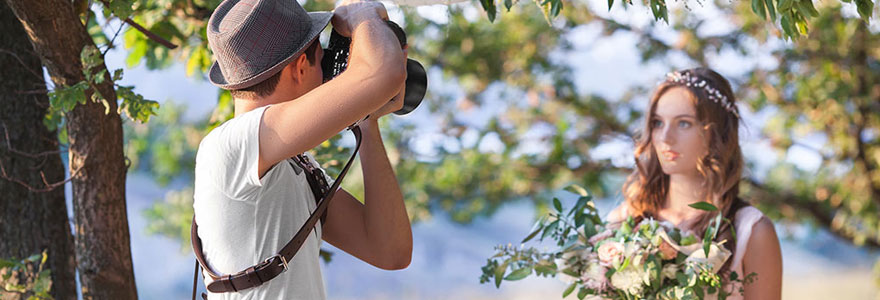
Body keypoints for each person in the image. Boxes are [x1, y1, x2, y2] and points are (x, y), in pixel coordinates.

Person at [192, 0, 413, 298]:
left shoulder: (290, 166)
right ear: (299, 68)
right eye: (321, 60)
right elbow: (384, 72)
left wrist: (366, 122)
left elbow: (390, 251)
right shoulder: (230, 145)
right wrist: (363, 14)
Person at [606, 68, 782, 299]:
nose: (666, 138)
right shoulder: (623, 221)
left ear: (717, 132)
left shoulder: (753, 232)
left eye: (684, 123)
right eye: (658, 123)